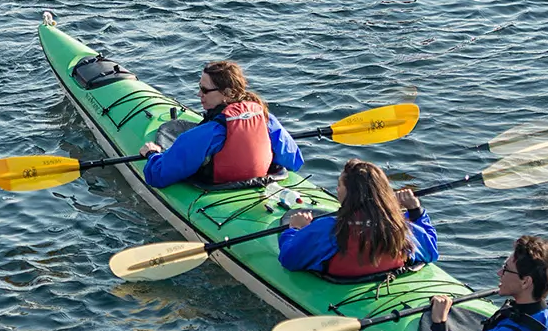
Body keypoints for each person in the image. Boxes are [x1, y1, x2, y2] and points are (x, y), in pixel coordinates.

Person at [137, 61, 303, 188]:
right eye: (199, 88)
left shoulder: (210, 133)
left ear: (228, 93)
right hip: (260, 183)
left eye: (205, 90)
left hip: (218, 187)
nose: (198, 94)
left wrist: (153, 155)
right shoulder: (266, 119)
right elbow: (294, 161)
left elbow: (158, 175)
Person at [277, 158, 437, 278]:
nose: (337, 189)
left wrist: (295, 229)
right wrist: (415, 211)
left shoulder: (329, 229)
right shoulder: (399, 228)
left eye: (339, 185)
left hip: (339, 288)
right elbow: (431, 252)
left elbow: (289, 259)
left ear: (351, 194)